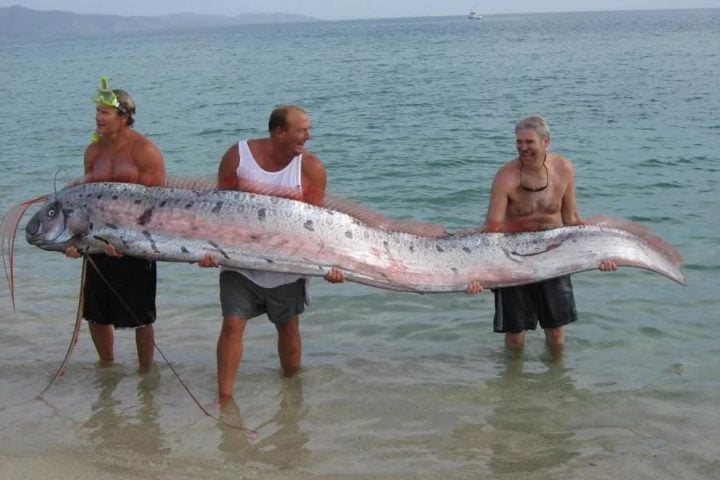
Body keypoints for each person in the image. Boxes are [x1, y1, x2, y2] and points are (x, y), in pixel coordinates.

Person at [200, 105, 344, 402]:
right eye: (302, 130)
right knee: (231, 324)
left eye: (308, 129)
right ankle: (224, 399)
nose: (308, 136)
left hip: (288, 265)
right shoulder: (238, 157)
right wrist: (209, 250)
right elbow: (218, 211)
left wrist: (331, 265)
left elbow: (316, 226)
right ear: (279, 132)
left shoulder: (311, 169)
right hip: (239, 263)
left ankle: (292, 395)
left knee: (288, 328)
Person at [467, 114, 616, 356]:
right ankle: (513, 387)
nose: (523, 148)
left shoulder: (564, 169)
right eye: (518, 142)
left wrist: (601, 255)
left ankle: (558, 385)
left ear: (546, 141)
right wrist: (478, 274)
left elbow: (572, 221)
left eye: (529, 142)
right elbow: (492, 228)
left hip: (554, 256)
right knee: (515, 335)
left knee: (556, 332)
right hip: (512, 258)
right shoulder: (506, 176)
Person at [65, 77, 166, 368]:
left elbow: (155, 206)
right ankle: (107, 369)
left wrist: (124, 241)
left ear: (124, 117)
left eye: (104, 113)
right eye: (96, 112)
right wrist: (75, 242)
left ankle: (146, 373)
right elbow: (86, 204)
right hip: (97, 244)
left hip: (134, 243)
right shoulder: (92, 152)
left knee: (141, 318)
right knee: (96, 314)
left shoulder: (144, 150)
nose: (98, 118)